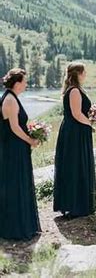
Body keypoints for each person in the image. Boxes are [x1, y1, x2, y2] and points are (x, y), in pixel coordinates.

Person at [0, 68, 41, 241]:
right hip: (13, 149)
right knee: (16, 185)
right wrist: (31, 141)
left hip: (15, 147)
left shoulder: (11, 97)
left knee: (18, 183)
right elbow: (15, 128)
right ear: (17, 83)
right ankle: (16, 228)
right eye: (24, 81)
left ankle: (22, 223)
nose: (26, 84)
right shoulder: (10, 100)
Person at [53, 61, 96, 218]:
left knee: (78, 164)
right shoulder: (74, 91)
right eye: (84, 72)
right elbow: (77, 114)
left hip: (77, 131)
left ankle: (79, 202)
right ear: (78, 74)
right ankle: (75, 205)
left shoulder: (75, 90)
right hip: (74, 133)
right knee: (75, 165)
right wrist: (91, 123)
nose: (86, 75)